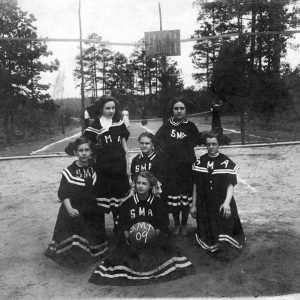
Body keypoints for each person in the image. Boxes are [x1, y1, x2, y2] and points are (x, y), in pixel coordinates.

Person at [89, 171, 193, 286]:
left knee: (163, 256)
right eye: (138, 183)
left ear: (150, 186)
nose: (140, 186)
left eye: (144, 183)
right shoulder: (128, 203)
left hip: (153, 240)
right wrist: (129, 236)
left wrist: (152, 234)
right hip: (132, 241)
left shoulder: (158, 203)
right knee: (123, 259)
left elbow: (163, 223)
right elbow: (121, 224)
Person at [45, 137, 108, 267]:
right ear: (75, 152)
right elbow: (63, 193)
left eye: (87, 150)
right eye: (80, 150)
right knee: (73, 218)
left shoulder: (95, 168)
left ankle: (92, 249)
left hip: (91, 208)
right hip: (74, 207)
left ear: (91, 152)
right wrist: (69, 208)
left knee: (94, 220)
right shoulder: (70, 171)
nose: (84, 153)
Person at [190, 132, 245, 259]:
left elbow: (230, 185)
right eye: (208, 144)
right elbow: (195, 185)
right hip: (205, 202)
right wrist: (193, 205)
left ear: (218, 144)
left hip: (222, 200)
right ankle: (212, 243)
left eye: (214, 144)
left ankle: (225, 244)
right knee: (208, 233)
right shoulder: (200, 162)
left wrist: (226, 203)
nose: (211, 147)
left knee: (225, 225)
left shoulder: (225, 161)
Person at [83, 94, 131, 233]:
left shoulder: (119, 124)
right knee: (102, 202)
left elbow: (125, 148)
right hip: (102, 170)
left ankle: (119, 229)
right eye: (108, 108)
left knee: (119, 201)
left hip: (119, 168)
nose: (111, 111)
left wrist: (127, 167)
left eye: (113, 108)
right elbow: (86, 148)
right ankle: (100, 233)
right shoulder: (94, 127)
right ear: (101, 109)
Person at [155, 98, 200, 236]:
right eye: (176, 108)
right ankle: (176, 224)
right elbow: (157, 142)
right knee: (174, 197)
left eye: (182, 108)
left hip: (187, 168)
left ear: (186, 110)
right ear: (172, 110)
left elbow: (197, 141)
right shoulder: (166, 126)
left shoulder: (191, 126)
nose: (179, 111)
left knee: (185, 197)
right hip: (171, 169)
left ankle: (185, 224)